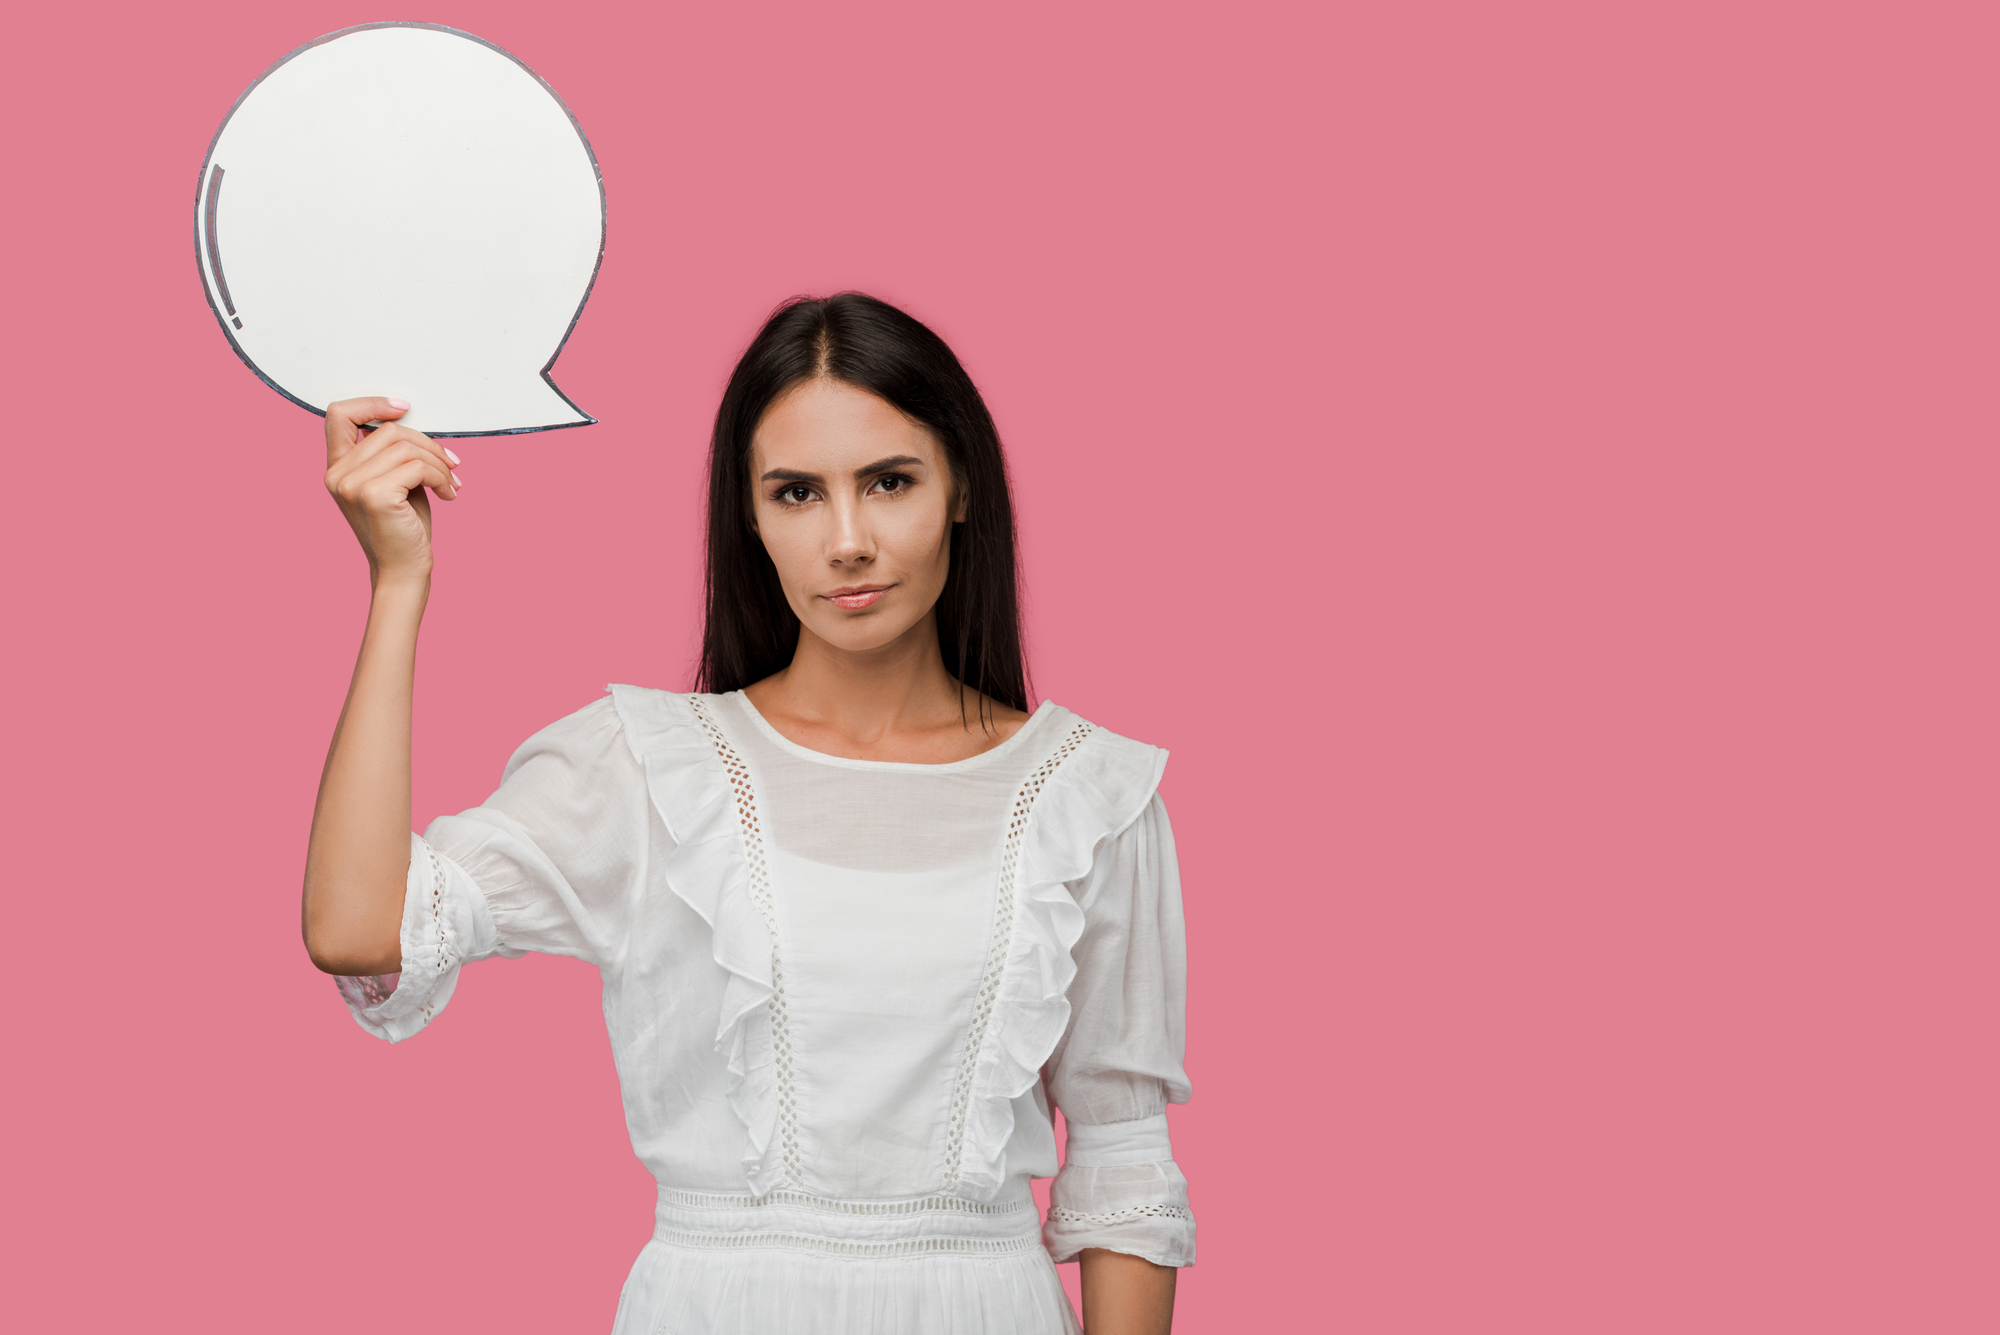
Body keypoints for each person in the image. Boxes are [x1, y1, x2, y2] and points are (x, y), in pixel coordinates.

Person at [302, 293, 1194, 1334]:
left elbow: (1121, 1158)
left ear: (958, 488)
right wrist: (397, 581)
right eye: (796, 493)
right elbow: (360, 930)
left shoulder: (1090, 798)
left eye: (889, 481)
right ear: (750, 516)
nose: (848, 539)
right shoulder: (648, 772)